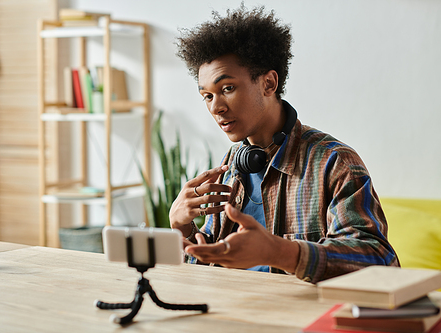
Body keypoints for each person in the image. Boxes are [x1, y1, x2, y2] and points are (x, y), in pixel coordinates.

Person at [169, 4, 399, 283]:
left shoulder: (334, 163)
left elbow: (378, 260)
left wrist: (280, 253)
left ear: (268, 83)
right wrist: (182, 228)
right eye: (207, 95)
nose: (216, 107)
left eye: (227, 88)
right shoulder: (231, 165)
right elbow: (207, 263)